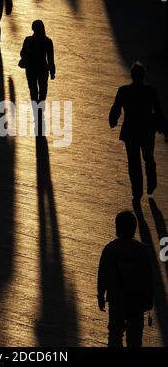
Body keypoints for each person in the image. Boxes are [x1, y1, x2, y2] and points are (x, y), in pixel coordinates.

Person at [109, 62, 168, 204]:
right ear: (144, 76)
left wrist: (113, 120)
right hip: (147, 130)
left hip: (130, 131)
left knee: (133, 163)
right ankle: (152, 182)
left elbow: (116, 108)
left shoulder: (123, 91)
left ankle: (137, 192)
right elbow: (158, 111)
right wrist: (165, 129)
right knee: (148, 157)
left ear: (131, 75)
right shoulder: (151, 91)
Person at [97, 211, 153, 347]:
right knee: (135, 338)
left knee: (115, 334)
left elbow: (102, 274)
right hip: (137, 300)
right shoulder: (143, 251)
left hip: (116, 299)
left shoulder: (110, 249)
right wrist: (149, 297)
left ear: (117, 228)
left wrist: (100, 294)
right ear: (134, 229)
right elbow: (149, 277)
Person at [19, 20, 55, 103]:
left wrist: (29, 52)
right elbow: (50, 58)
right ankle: (40, 110)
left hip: (30, 69)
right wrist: (52, 72)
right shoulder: (48, 41)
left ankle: (36, 109)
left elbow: (22, 53)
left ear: (33, 29)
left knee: (33, 91)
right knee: (43, 91)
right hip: (43, 69)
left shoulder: (28, 40)